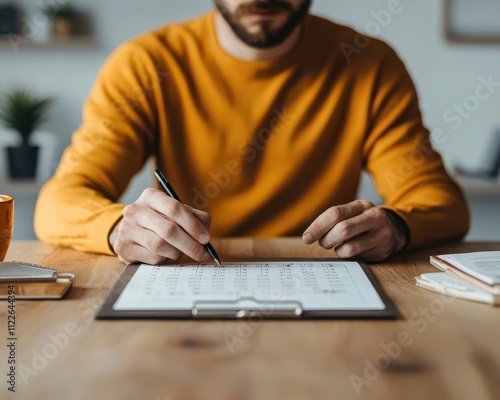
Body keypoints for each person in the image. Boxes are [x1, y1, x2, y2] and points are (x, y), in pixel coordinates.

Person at [34, 0, 470, 265]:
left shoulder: (371, 66)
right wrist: (116, 228)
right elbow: (59, 202)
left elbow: (440, 203)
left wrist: (395, 226)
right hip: (190, 280)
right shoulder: (145, 65)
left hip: (329, 286)